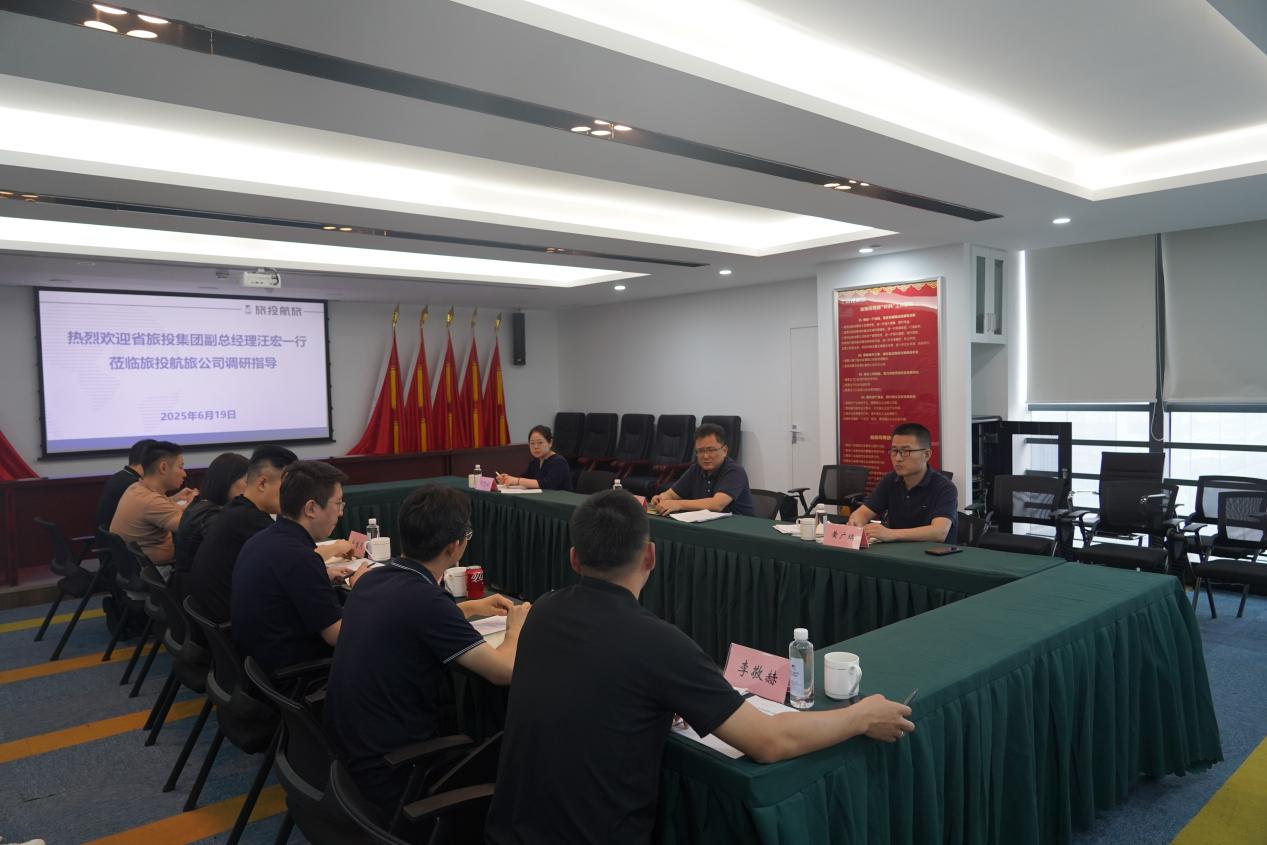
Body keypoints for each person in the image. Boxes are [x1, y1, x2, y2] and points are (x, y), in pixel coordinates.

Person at [485, 490, 914, 845]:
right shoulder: (659, 643)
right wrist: (860, 716)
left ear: (574, 559)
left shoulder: (543, 610)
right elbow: (769, 741)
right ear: (651, 556)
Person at [324, 484, 530, 819]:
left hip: (346, 754)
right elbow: (503, 671)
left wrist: (471, 607)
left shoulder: (373, 579)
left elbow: (408, 620)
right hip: (392, 771)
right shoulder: (426, 600)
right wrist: (516, 625)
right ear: (454, 547)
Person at [230, 460, 366, 673]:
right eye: (338, 504)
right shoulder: (299, 557)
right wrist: (361, 591)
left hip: (257, 665)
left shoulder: (262, 539)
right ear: (311, 508)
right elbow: (337, 636)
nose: (340, 513)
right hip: (292, 675)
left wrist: (321, 575)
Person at [187, 445, 310, 623]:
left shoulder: (235, 509)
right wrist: (336, 548)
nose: (292, 495)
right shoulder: (251, 521)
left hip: (216, 617)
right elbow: (299, 559)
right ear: (262, 483)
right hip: (233, 623)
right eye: (287, 487)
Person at [847, 422, 959, 543]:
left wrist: (890, 533)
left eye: (905, 451)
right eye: (894, 451)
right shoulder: (890, 480)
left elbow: (939, 532)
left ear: (926, 454)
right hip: (896, 551)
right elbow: (862, 513)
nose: (898, 458)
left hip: (933, 553)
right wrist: (855, 523)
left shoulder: (945, 487)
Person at [108, 441, 198, 566]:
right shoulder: (151, 501)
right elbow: (191, 527)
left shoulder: (136, 487)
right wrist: (195, 503)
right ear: (163, 467)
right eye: (180, 467)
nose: (184, 474)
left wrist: (176, 500)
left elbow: (160, 510)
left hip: (135, 567)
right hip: (160, 570)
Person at [172, 452, 249, 583]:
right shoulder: (210, 517)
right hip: (198, 587)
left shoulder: (199, 504)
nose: (250, 488)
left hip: (189, 582)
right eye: (247, 481)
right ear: (228, 481)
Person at [650, 422, 754, 516]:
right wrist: (662, 498)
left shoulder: (735, 471)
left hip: (738, 526)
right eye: (700, 451)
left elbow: (717, 504)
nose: (705, 456)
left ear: (724, 451)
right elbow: (672, 494)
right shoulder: (696, 469)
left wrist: (678, 504)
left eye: (711, 450)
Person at [93, 438, 158, 538]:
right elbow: (156, 512)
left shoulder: (119, 477)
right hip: (125, 543)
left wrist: (175, 499)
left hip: (109, 541)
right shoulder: (135, 485)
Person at [495, 424, 572, 491]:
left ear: (550, 443)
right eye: (532, 443)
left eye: (540, 442)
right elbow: (524, 478)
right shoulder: (535, 462)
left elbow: (547, 484)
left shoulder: (559, 462)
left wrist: (517, 480)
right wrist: (508, 480)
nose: (536, 447)